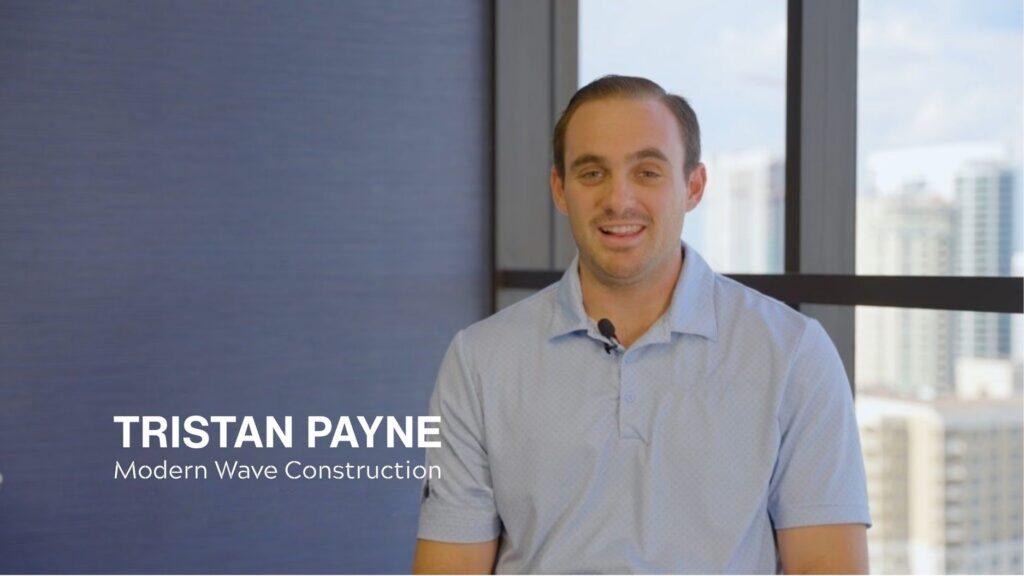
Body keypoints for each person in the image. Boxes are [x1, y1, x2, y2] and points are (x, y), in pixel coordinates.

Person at [413, 75, 870, 574]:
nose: (619, 199)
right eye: (592, 173)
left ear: (693, 186)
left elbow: (827, 566)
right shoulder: (479, 360)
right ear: (560, 189)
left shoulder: (793, 353)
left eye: (647, 172)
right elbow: (450, 564)